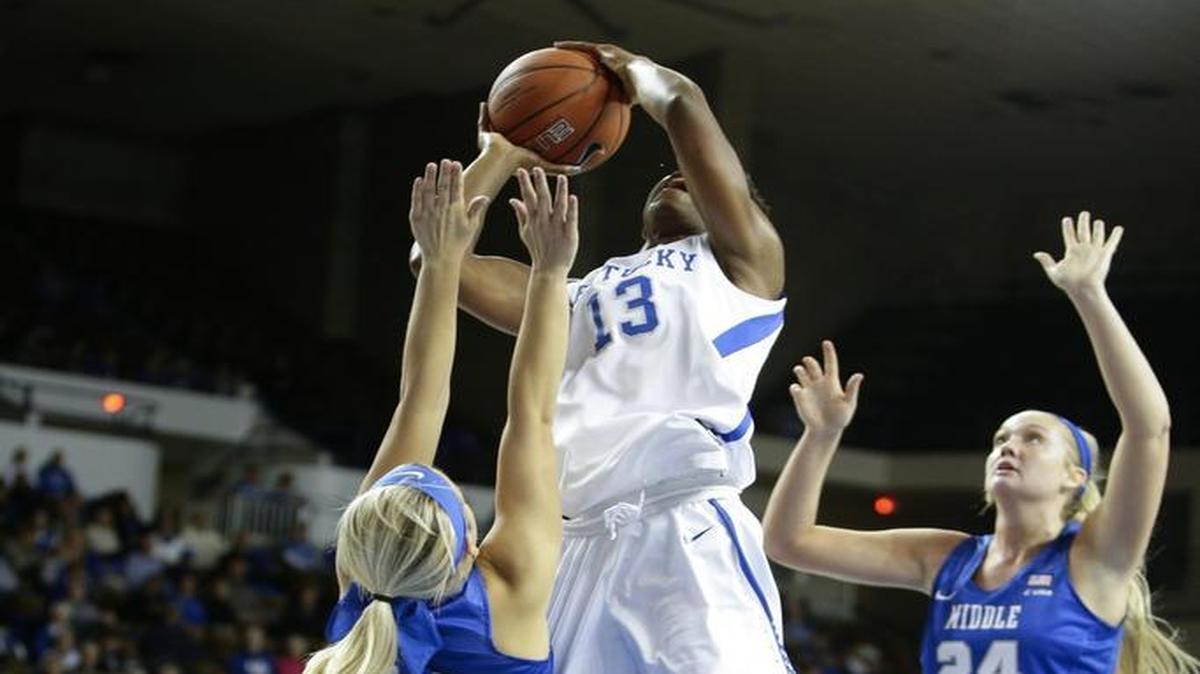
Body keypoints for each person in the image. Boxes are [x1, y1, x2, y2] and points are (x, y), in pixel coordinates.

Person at [412, 42, 790, 672]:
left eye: (699, 180)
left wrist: (632, 73)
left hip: (681, 518)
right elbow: (436, 261)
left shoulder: (741, 269)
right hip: (574, 541)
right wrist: (500, 153)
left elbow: (684, 104)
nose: (677, 177)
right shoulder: (577, 289)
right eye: (665, 175)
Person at [762, 213, 1200, 674]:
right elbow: (789, 542)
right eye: (1001, 438)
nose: (1010, 446)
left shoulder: (1095, 556)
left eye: (1034, 438)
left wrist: (1090, 295)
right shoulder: (948, 559)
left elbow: (1149, 427)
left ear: (1075, 476)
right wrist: (821, 436)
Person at [305, 159, 577, 673]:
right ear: (471, 546)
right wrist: (545, 273)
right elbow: (524, 415)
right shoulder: (366, 580)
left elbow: (442, 403)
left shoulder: (381, 591)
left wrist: (447, 263)